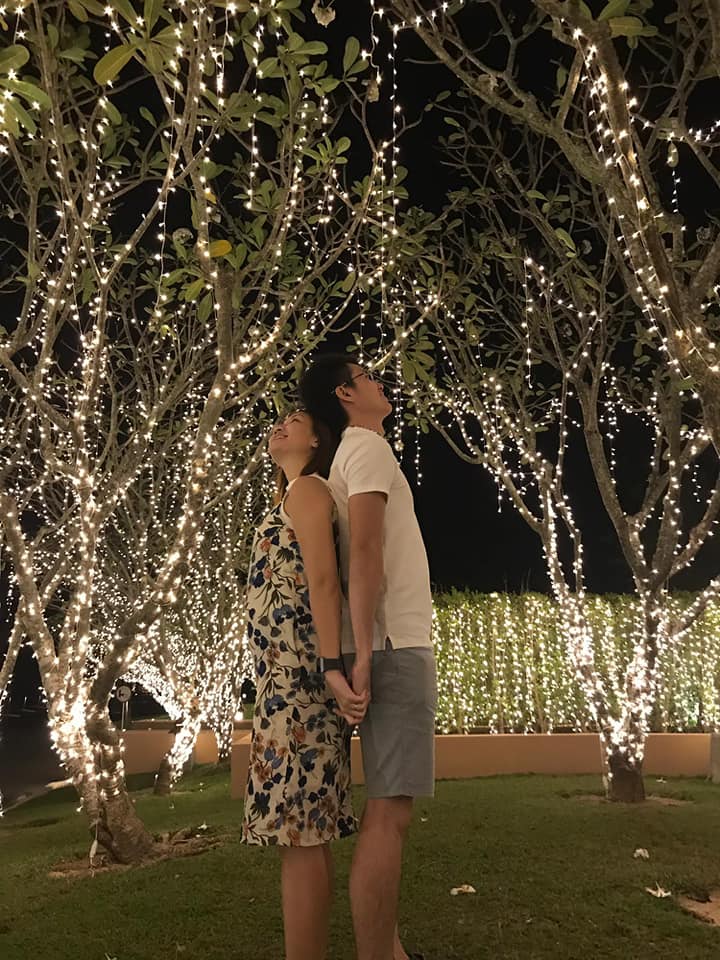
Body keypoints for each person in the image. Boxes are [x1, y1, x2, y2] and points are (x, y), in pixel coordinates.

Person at [300, 356, 437, 960]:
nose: (380, 381)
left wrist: (352, 652)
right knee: (389, 816)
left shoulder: (346, 458)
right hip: (393, 646)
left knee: (385, 810)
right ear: (346, 393)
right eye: (367, 375)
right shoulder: (369, 449)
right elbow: (365, 549)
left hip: (376, 645)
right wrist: (361, 655)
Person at [242, 409, 369, 960]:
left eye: (294, 420)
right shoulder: (294, 494)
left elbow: (323, 579)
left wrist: (331, 666)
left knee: (299, 837)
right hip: (284, 686)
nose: (280, 425)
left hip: (299, 688)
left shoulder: (310, 489)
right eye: (279, 419)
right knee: (305, 834)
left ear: (317, 440)